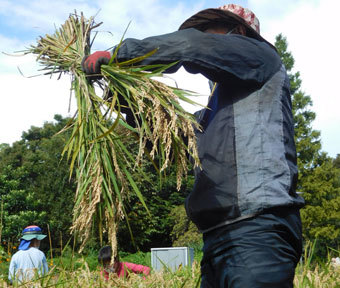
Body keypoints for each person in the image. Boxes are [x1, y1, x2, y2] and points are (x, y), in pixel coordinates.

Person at [82, 4, 305, 287]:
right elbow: (172, 133)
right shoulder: (215, 112)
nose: (203, 37)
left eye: (209, 31)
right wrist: (123, 95)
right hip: (217, 238)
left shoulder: (261, 58)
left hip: (257, 231)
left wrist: (120, 56)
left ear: (237, 33)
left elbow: (192, 46)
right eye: (201, 33)